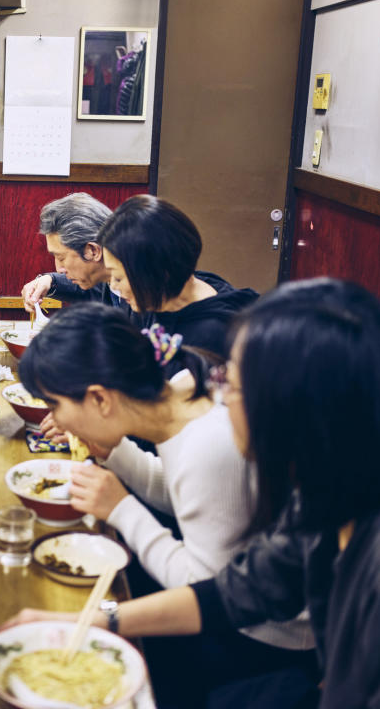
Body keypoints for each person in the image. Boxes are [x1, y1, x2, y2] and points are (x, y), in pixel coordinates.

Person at [5, 279, 380, 709]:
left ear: (304, 403)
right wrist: (88, 622)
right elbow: (233, 593)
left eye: (237, 384)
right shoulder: (329, 497)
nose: (220, 396)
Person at [19, 303, 316, 708]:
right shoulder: (179, 391)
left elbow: (206, 587)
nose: (56, 419)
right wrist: (114, 452)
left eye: (54, 405)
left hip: (261, 642)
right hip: (235, 609)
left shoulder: (208, 446)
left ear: (100, 399)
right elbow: (180, 495)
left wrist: (122, 509)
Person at [98, 194, 258, 363]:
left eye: (118, 278)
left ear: (156, 271)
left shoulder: (213, 334)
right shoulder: (154, 300)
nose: (116, 288)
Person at [20, 193, 122, 312]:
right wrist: (50, 280)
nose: (59, 269)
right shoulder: (111, 279)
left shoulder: (142, 294)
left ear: (93, 251)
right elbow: (94, 289)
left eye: (61, 258)